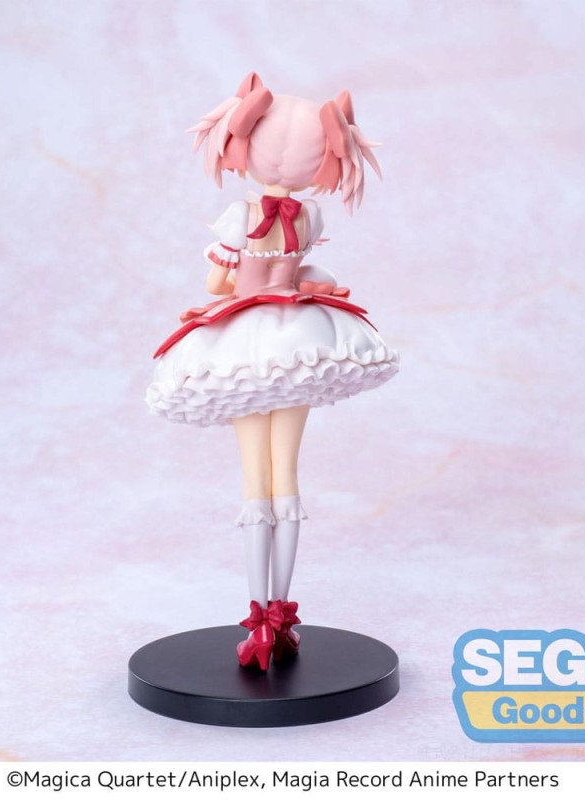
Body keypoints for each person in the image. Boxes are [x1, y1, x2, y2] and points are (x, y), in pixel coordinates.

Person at [146, 72, 399, 670]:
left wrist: (243, 278)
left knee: (253, 476)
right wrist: (303, 279)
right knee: (287, 470)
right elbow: (302, 272)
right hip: (297, 336)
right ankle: (281, 615)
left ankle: (258, 613)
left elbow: (219, 283)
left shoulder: (239, 216)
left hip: (245, 340)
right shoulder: (308, 218)